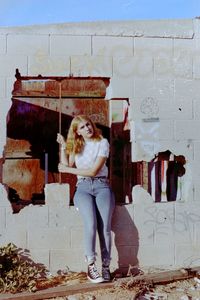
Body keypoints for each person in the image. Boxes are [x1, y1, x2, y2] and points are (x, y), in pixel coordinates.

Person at [57, 115, 115, 283]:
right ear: (77, 132)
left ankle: (106, 266)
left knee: (105, 228)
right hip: (82, 188)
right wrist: (63, 147)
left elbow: (93, 171)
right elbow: (66, 165)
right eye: (82, 127)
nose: (87, 128)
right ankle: (91, 266)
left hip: (102, 186)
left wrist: (68, 171)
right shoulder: (77, 145)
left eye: (88, 124)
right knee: (90, 224)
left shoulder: (102, 143)